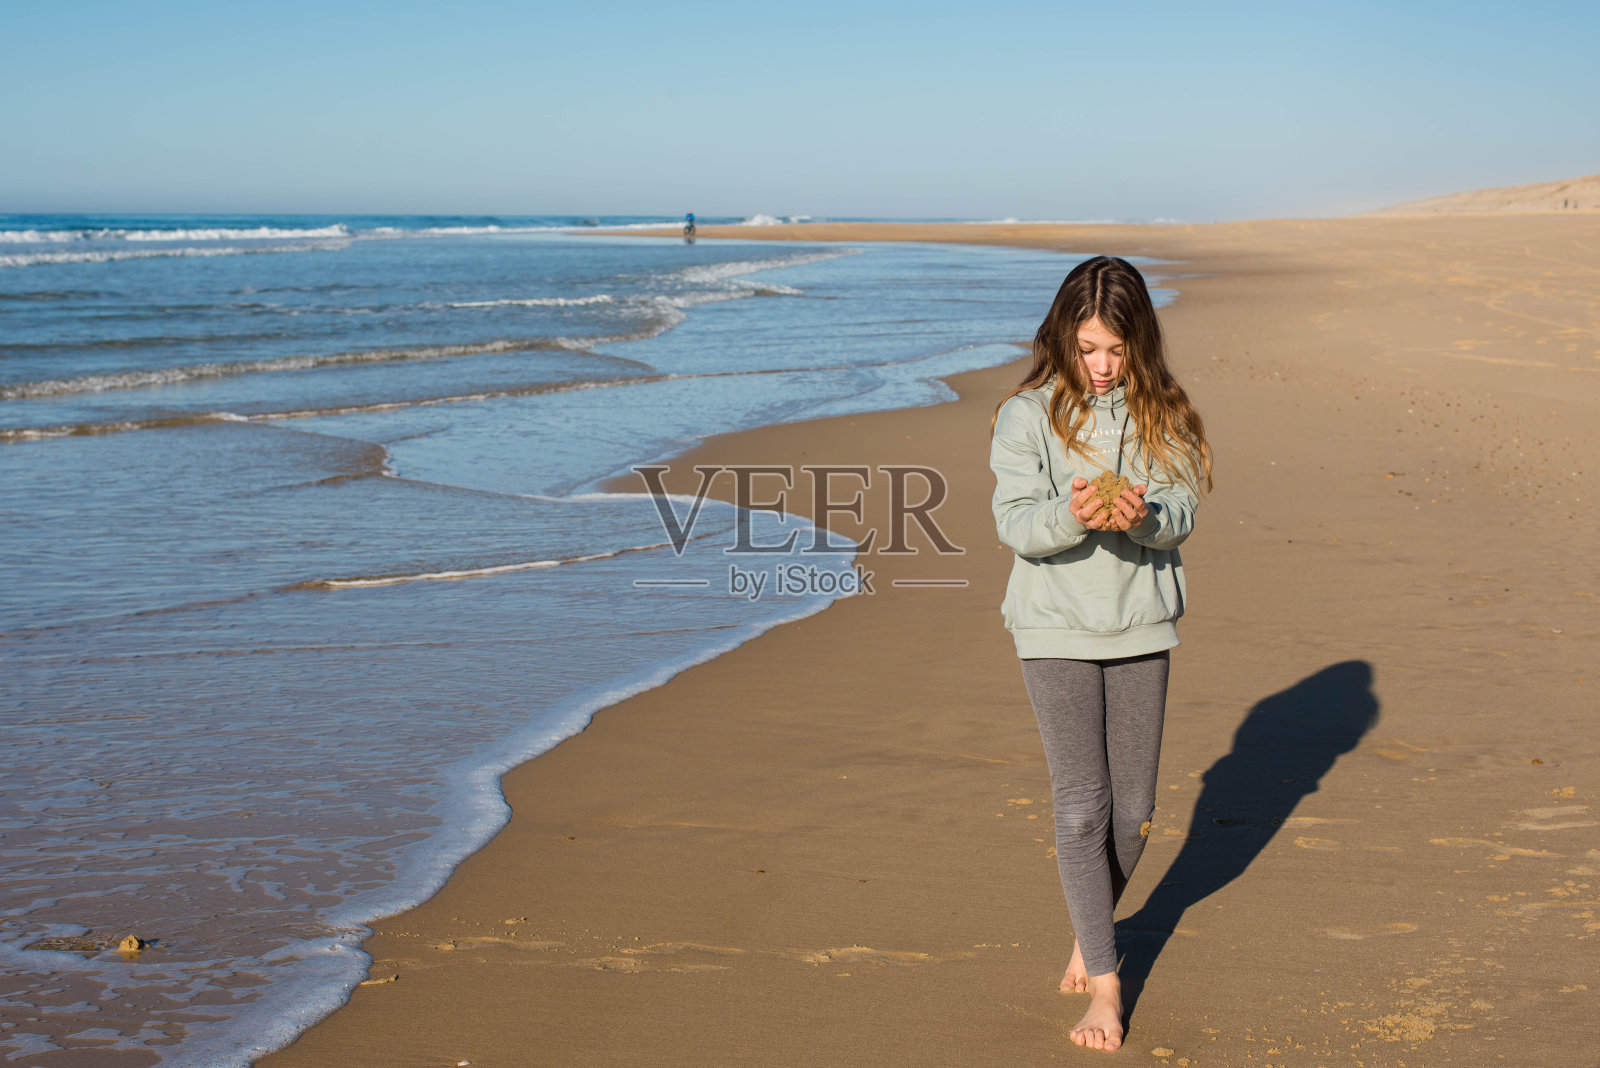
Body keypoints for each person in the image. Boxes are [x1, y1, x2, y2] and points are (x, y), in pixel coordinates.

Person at [988, 255, 1212, 1051]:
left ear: (1138, 342)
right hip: (1052, 626)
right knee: (1082, 806)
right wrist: (1072, 514)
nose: (1103, 366)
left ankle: (1090, 927)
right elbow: (1015, 521)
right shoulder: (1027, 416)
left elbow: (1181, 510)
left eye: (1116, 349)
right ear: (1064, 338)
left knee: (1134, 813)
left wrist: (1142, 514)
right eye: (1088, 348)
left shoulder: (1165, 414)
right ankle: (1107, 988)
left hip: (1142, 624)